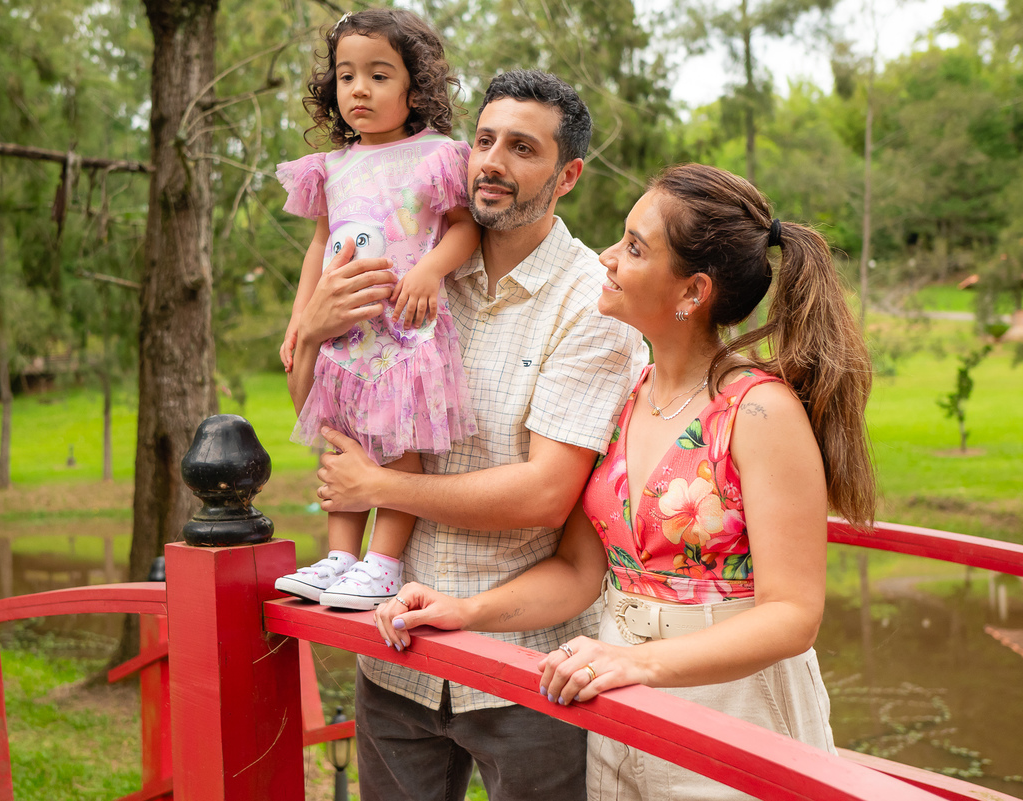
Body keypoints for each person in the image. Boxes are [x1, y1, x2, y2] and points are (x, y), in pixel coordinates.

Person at [374, 163, 876, 800]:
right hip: (622, 702)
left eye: (635, 248)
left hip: (736, 707)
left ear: (693, 292)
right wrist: (467, 611)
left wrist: (638, 662)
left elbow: (792, 615)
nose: (606, 258)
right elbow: (579, 571)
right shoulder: (629, 398)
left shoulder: (758, 412)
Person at [294, 70, 648, 800]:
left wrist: (379, 486)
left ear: (568, 175)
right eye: (484, 140)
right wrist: (311, 337)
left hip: (528, 670)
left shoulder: (593, 304)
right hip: (395, 658)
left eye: (522, 148)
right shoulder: (416, 266)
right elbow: (333, 422)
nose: (491, 161)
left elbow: (545, 495)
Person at [273, 9, 480, 611]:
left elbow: (465, 228)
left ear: (415, 89)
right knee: (342, 441)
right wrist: (300, 318)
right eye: (346, 76)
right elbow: (319, 245)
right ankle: (340, 557)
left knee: (399, 443)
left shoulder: (438, 154)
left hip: (406, 328)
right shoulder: (332, 167)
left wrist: (430, 270)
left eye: (378, 75)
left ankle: (383, 564)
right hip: (344, 334)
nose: (358, 89)